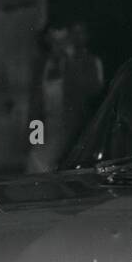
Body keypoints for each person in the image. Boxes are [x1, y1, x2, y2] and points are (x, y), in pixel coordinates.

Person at [25, 23, 87, 174]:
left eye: (61, 41)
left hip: (68, 127)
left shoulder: (79, 62)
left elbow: (86, 91)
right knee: (35, 157)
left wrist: (70, 59)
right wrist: (34, 139)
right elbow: (36, 104)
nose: (57, 46)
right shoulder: (42, 64)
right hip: (44, 123)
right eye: (53, 41)